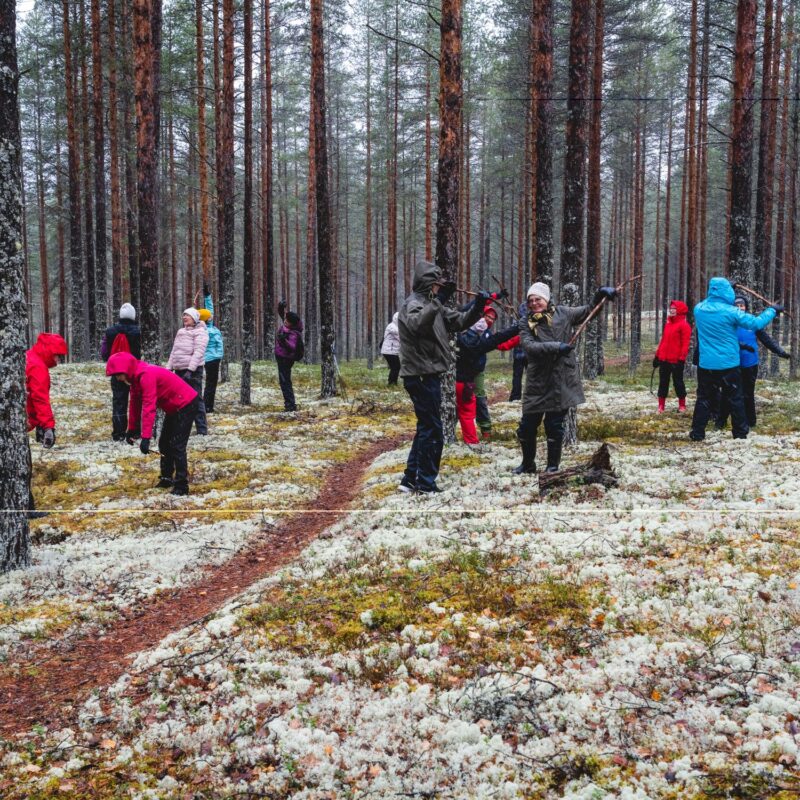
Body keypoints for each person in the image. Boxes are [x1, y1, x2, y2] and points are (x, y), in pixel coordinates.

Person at [397, 259, 489, 493]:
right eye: (436, 284)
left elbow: (458, 321)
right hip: (419, 375)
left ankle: (410, 479)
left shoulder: (431, 304)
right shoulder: (413, 304)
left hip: (429, 375)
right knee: (433, 430)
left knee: (426, 427)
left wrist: (478, 306)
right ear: (428, 284)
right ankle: (425, 483)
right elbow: (417, 324)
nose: (439, 288)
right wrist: (438, 301)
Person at [515, 281, 617, 474]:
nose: (535, 303)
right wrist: (557, 347)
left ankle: (552, 467)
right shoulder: (525, 322)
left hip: (561, 379)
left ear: (546, 299)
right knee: (527, 427)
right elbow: (529, 347)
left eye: (538, 299)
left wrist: (599, 295)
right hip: (537, 381)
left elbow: (588, 311)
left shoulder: (564, 313)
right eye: (531, 300)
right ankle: (527, 464)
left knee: (554, 426)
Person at [690, 276, 780, 441]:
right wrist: (772, 310)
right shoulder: (732, 312)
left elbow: (709, 301)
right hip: (728, 364)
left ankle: (697, 433)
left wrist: (720, 290)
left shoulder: (699, 309)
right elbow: (755, 324)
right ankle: (739, 433)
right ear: (727, 292)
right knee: (735, 399)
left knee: (703, 398)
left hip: (706, 364)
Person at [106, 352, 199, 496]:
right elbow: (135, 405)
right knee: (164, 443)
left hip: (186, 403)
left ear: (126, 370)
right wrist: (132, 429)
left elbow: (149, 406)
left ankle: (182, 485)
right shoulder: (135, 379)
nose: (117, 378)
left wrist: (146, 437)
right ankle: (167, 477)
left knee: (177, 445)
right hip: (174, 407)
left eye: (118, 374)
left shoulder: (146, 375)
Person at [716, 294, 790, 430]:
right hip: (732, 364)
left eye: (742, 305)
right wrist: (741, 345)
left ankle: (751, 422)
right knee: (727, 393)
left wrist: (780, 351)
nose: (739, 308)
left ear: (746, 307)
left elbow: (767, 340)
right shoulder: (729, 323)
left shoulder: (751, 322)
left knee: (748, 394)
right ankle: (720, 422)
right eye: (736, 305)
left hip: (750, 364)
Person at [455, 305, 518, 446]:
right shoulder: (465, 332)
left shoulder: (486, 334)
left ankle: (485, 429)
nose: (489, 320)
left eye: (492, 319)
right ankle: (466, 435)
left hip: (475, 374)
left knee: (479, 400)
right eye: (487, 316)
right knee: (465, 404)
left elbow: (503, 344)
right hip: (463, 375)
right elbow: (500, 339)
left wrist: (519, 338)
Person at [26, 333, 68, 518]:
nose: (58, 361)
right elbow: (39, 398)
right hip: (17, 424)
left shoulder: (29, 358)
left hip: (23, 421)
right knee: (21, 467)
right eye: (57, 356)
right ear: (50, 351)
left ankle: (27, 507)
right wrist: (48, 426)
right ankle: (26, 509)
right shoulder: (37, 366)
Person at [101, 303, 142, 440]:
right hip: (135, 370)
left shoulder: (110, 331)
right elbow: (139, 351)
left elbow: (105, 352)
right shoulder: (138, 331)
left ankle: (118, 434)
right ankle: (136, 431)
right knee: (137, 400)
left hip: (117, 372)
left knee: (119, 402)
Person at [167, 307, 209, 434]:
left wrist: (190, 370)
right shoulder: (180, 331)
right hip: (179, 371)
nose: (184, 317)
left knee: (196, 399)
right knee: (180, 399)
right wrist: (169, 368)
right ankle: (181, 427)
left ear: (195, 318)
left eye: (188, 316)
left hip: (193, 371)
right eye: (183, 315)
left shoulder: (201, 332)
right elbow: (174, 352)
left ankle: (202, 429)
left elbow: (199, 352)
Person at [653, 300, 692, 413]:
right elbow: (663, 342)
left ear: (680, 311)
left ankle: (682, 405)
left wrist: (681, 359)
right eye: (671, 308)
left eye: (674, 308)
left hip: (676, 361)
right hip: (664, 360)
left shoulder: (684, 326)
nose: (672, 310)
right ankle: (661, 406)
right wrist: (657, 356)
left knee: (678, 383)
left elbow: (685, 344)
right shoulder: (668, 324)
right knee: (663, 383)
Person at [197, 283, 224, 413]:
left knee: (211, 383)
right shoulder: (201, 330)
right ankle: (207, 407)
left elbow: (210, 310)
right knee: (209, 383)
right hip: (209, 358)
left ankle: (208, 406)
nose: (212, 316)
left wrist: (207, 296)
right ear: (206, 319)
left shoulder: (209, 324)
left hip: (215, 358)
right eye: (209, 316)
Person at [274, 301, 304, 412]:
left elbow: (292, 347)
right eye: (285, 320)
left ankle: (290, 405)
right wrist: (281, 307)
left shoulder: (293, 333)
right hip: (281, 357)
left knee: (285, 382)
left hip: (286, 360)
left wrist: (283, 340)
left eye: (287, 321)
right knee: (284, 381)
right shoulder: (288, 326)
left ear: (291, 323)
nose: (284, 321)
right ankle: (289, 404)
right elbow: (283, 315)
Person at [507, 301, 528, 402]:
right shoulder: (531, 320)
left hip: (522, 353)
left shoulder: (517, 321)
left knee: (517, 376)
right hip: (525, 353)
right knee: (521, 376)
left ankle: (516, 396)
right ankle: (517, 396)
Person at [380, 312, 401, 385]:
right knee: (396, 367)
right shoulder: (392, 327)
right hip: (389, 351)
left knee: (395, 367)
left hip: (391, 350)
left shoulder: (395, 326)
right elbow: (399, 336)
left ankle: (392, 382)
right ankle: (392, 382)